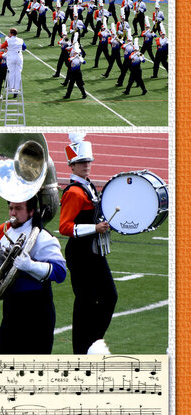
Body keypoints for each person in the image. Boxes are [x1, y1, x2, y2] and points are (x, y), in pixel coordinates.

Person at [0, 199, 67, 353]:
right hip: (11, 306)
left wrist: (30, 265)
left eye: (18, 209)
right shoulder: (2, 232)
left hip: (37, 307)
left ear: (31, 211)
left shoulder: (42, 236)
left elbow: (60, 272)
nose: (13, 213)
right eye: (11, 208)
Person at [58, 134, 117, 353]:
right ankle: (83, 349)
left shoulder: (88, 186)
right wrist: (95, 228)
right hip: (81, 254)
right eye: (81, 162)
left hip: (92, 251)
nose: (86, 165)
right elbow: (65, 227)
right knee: (86, 302)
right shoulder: (74, 192)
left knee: (106, 297)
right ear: (72, 166)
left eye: (88, 161)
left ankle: (90, 344)